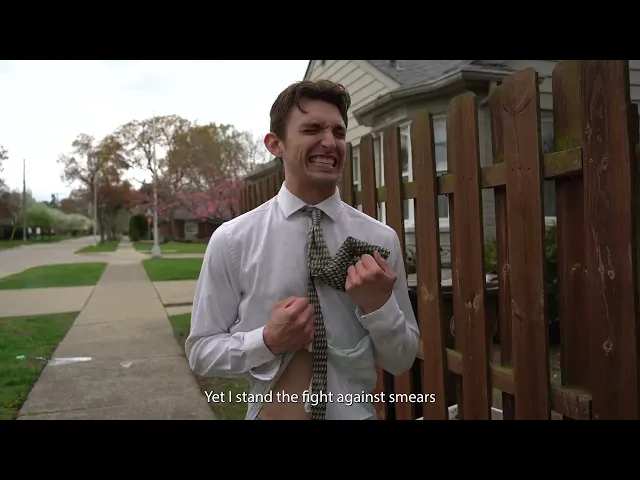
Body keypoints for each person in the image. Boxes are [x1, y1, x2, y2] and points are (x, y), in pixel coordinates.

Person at [185, 79, 420, 420]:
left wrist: (378, 307)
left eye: (338, 132)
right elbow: (201, 352)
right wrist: (267, 340)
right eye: (312, 129)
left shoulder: (380, 239)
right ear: (275, 144)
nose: (330, 142)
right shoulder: (233, 240)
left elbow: (402, 360)